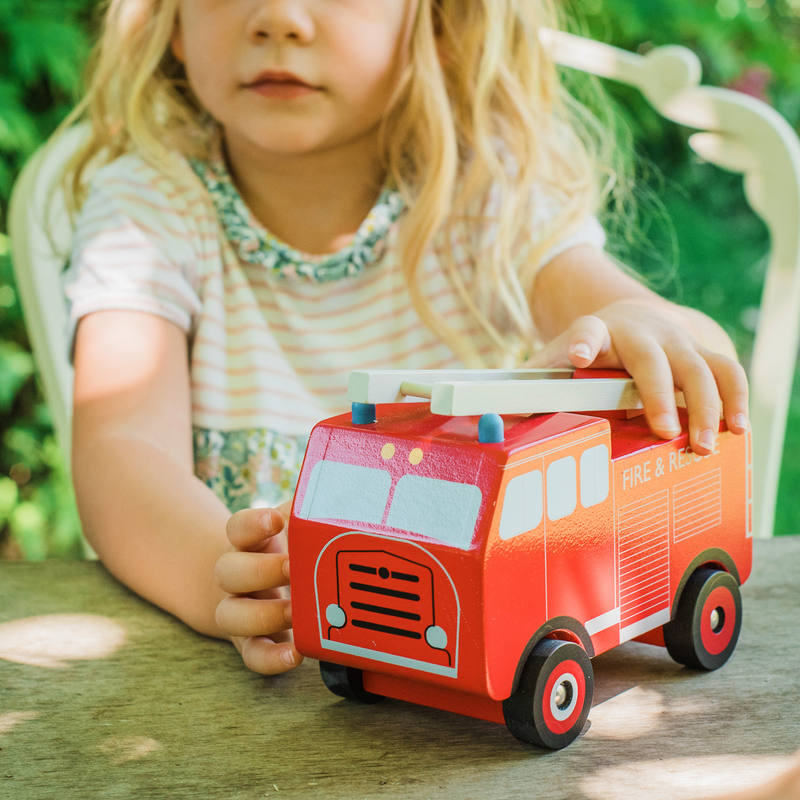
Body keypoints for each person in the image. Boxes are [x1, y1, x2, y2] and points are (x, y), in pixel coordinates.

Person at [61, 0, 748, 677]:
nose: (277, 18)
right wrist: (225, 575)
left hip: (453, 657)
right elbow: (122, 447)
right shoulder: (148, 205)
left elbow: (689, 344)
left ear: (441, 22)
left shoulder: (484, 194)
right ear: (170, 23)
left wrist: (640, 328)